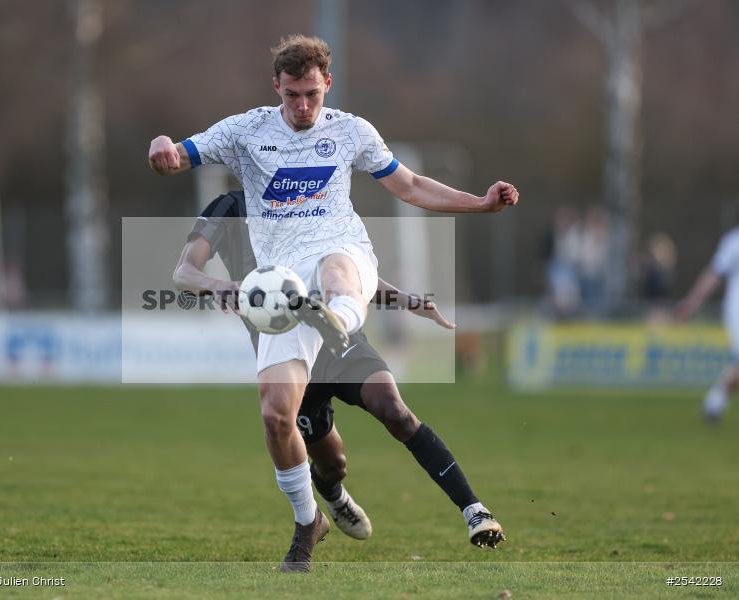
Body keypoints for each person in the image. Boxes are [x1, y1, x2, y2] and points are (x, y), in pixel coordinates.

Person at [149, 35, 518, 572]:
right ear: (276, 86)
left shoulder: (351, 131)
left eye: (312, 95)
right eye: (292, 95)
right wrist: (162, 146)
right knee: (276, 416)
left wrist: (480, 204)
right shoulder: (245, 131)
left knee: (338, 273)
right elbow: (177, 157)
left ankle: (339, 319)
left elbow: (412, 186)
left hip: (342, 254)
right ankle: (309, 519)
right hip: (282, 290)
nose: (303, 106)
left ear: (328, 84)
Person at [173, 191, 506, 551]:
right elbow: (184, 272)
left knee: (394, 410)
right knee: (332, 464)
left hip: (337, 335)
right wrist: (220, 286)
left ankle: (475, 510)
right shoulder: (228, 208)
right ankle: (332, 494)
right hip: (287, 356)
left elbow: (351, 274)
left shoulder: (306, 195)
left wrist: (406, 300)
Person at [674, 227, 739, 422]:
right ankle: (714, 402)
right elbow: (713, 274)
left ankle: (714, 402)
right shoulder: (734, 241)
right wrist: (691, 303)